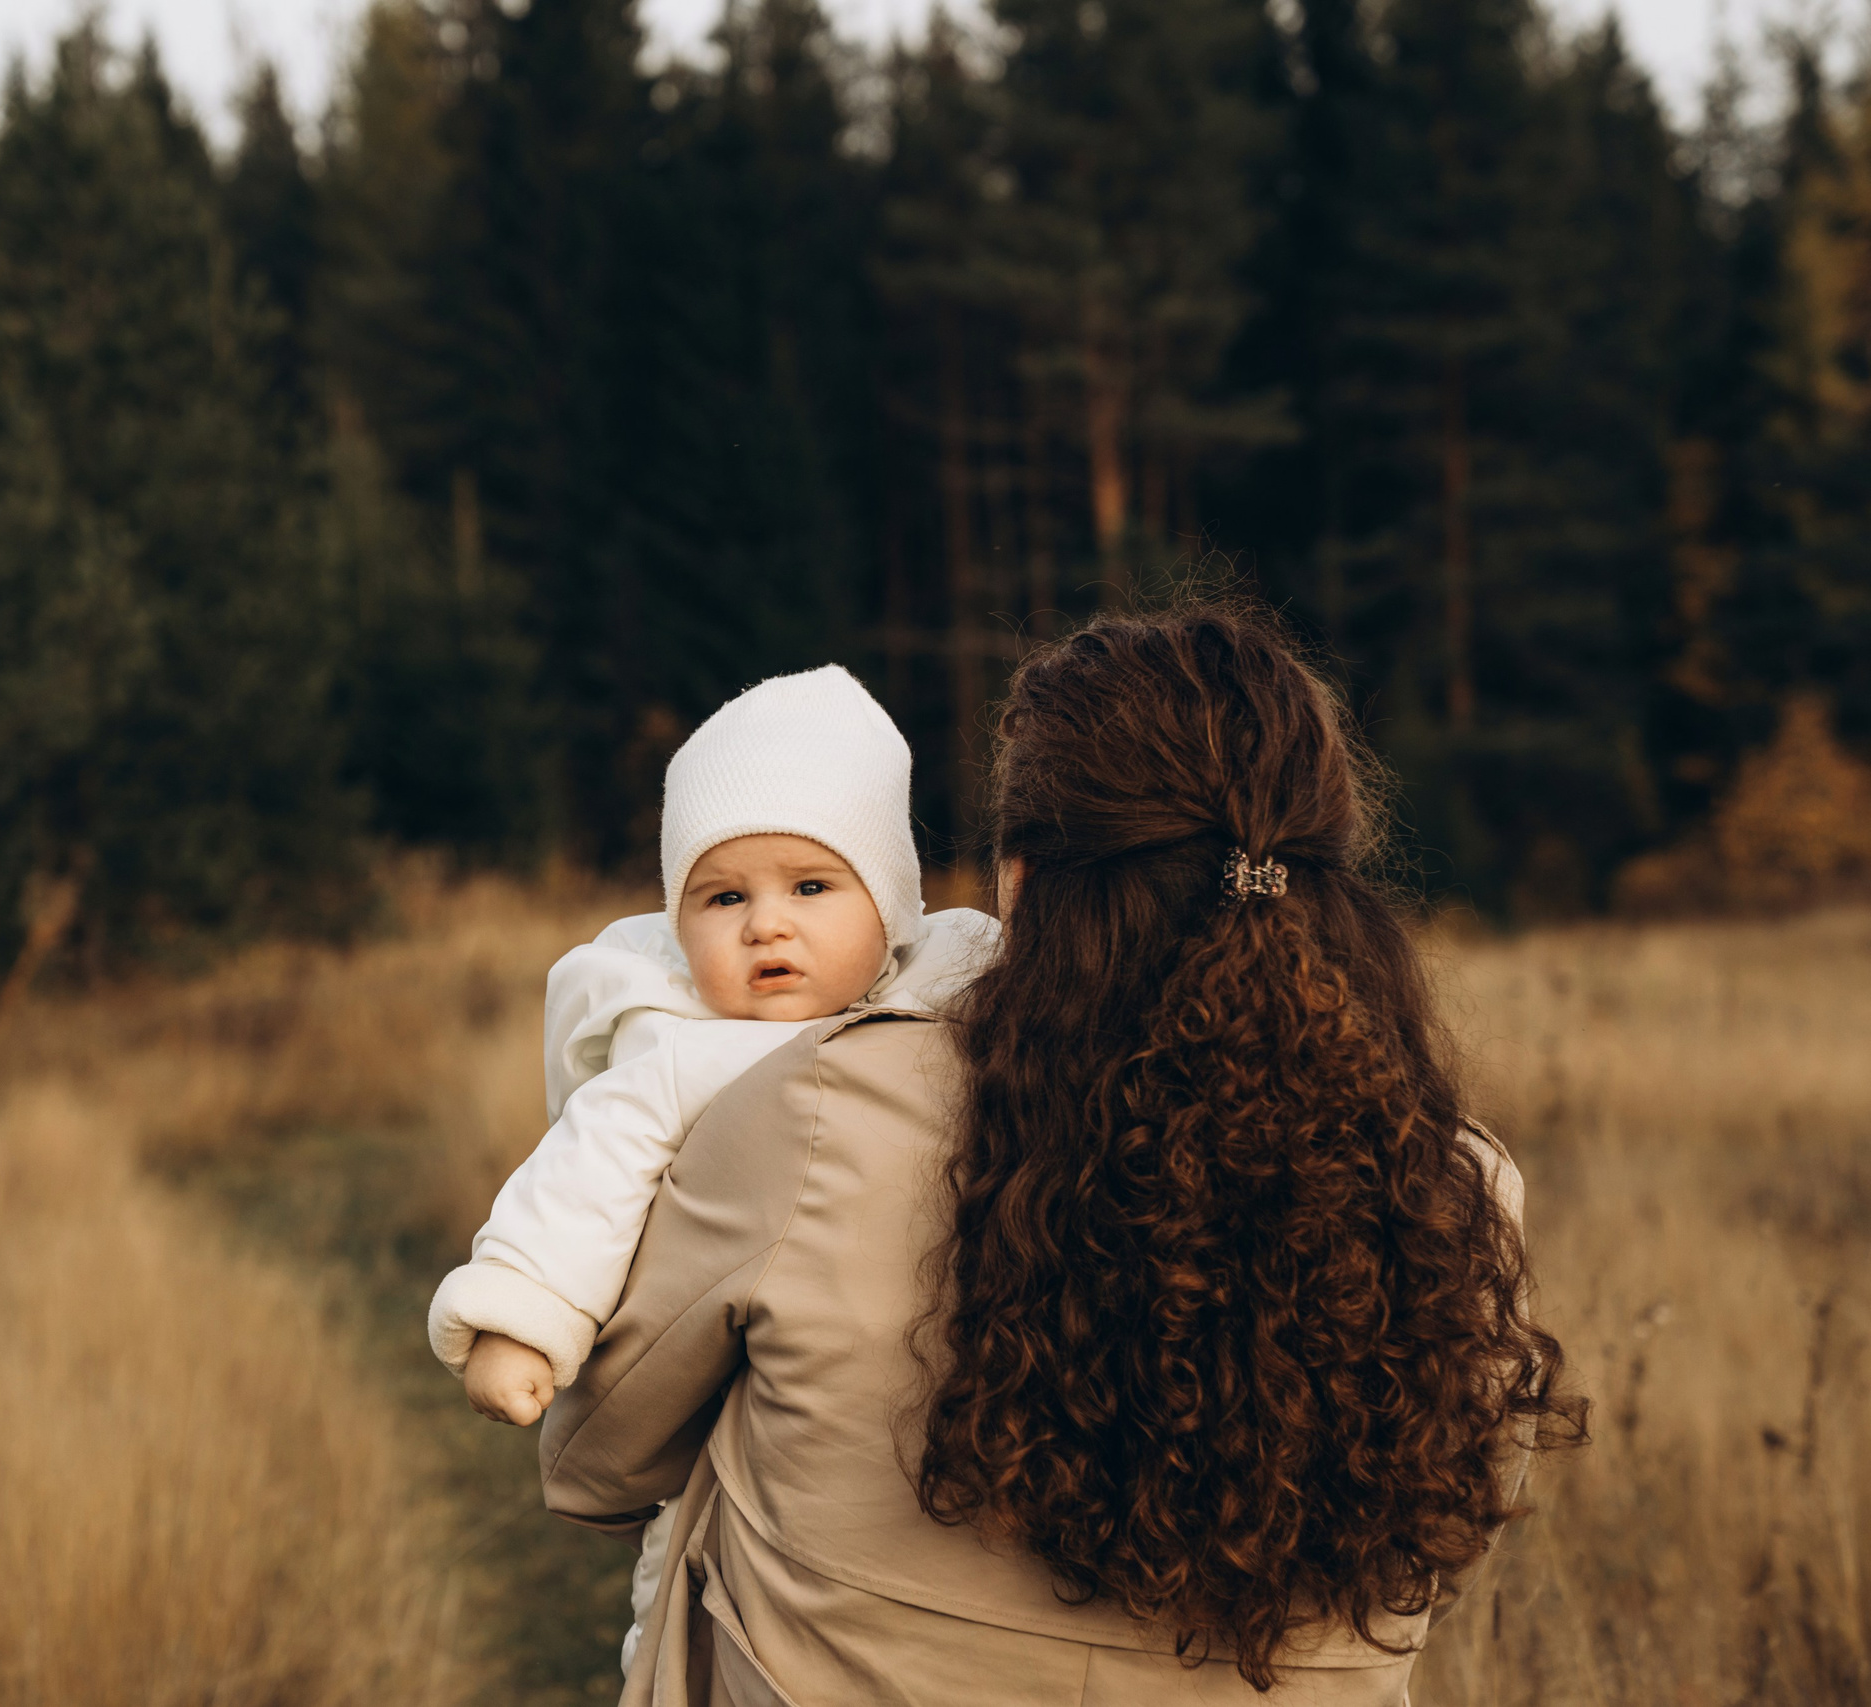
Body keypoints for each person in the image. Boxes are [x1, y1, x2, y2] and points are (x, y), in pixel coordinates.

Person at [540, 607, 1586, 1705]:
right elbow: (1439, 1553)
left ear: (1025, 878)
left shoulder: (813, 1109)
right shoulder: (1454, 1188)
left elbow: (595, 1467)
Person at [427, 664, 997, 1670]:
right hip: (706, 1377)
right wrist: (519, 1314)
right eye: (723, 896)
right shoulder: (678, 1052)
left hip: (884, 1380)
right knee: (684, 1563)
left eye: (811, 887)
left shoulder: (958, 998)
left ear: (892, 907)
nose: (765, 924)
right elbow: (586, 1172)